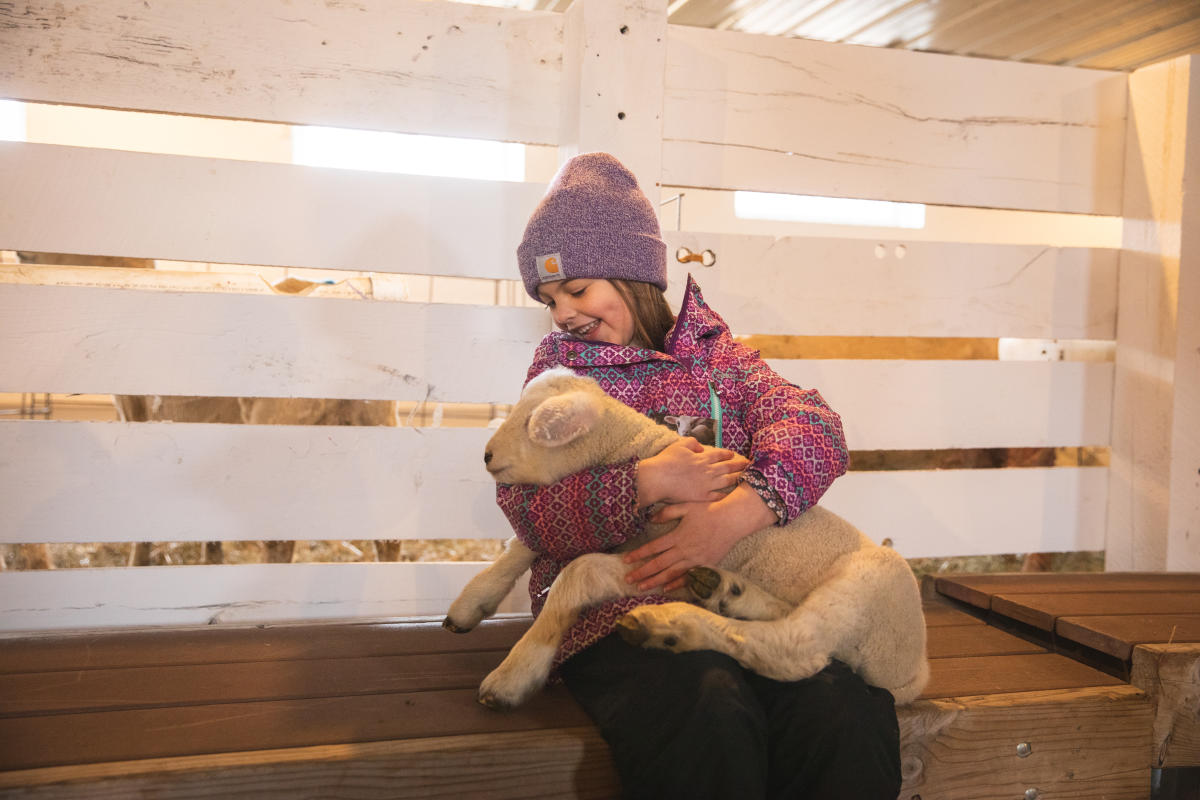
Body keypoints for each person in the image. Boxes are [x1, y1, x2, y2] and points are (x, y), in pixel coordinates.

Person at [498, 152, 901, 800]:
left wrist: (737, 515)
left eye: (577, 289)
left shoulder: (719, 358)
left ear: (634, 276)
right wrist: (646, 482)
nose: (563, 311)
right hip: (618, 611)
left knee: (843, 706)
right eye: (548, 298)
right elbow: (529, 507)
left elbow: (816, 430)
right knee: (709, 702)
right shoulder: (560, 378)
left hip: (746, 598)